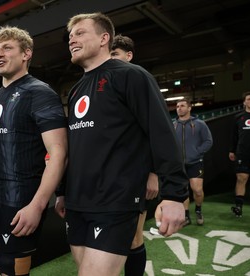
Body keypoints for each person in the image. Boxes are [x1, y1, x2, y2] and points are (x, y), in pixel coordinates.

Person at [54, 12, 188, 276]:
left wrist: (174, 195)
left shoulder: (132, 76)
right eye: (70, 36)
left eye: (80, 33)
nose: (72, 40)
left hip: (116, 200)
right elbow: (75, 145)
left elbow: (161, 134)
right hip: (78, 201)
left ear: (105, 38)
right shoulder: (76, 90)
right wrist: (62, 190)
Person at [0, 26, 68, 276]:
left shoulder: (39, 93)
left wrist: (38, 206)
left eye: (7, 48)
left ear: (26, 54)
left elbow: (59, 153)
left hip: (20, 204)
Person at [110, 34, 159, 276]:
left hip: (138, 176)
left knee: (133, 237)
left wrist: (153, 173)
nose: (111, 60)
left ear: (129, 56)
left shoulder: (139, 82)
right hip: (112, 181)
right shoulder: (108, 89)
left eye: (115, 55)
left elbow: (155, 133)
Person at [174, 99, 213, 226]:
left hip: (195, 162)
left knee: (197, 190)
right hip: (179, 164)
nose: (179, 108)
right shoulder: (173, 125)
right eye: (177, 106)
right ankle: (186, 216)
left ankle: (198, 210)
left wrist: (197, 152)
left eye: (182, 106)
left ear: (189, 108)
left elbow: (208, 141)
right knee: (183, 190)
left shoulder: (200, 124)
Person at [229, 91, 250, 217]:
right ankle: (238, 207)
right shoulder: (238, 117)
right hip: (243, 153)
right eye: (248, 99)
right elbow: (234, 136)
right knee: (241, 178)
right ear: (244, 102)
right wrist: (232, 150)